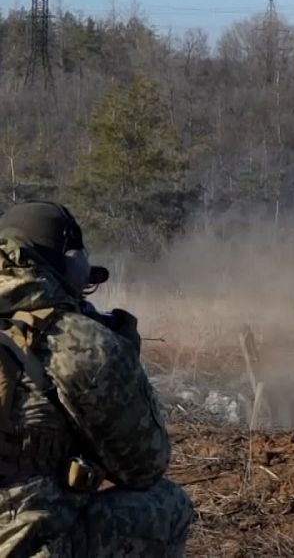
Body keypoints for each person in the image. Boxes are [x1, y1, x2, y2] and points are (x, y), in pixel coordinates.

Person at [0, 201, 193, 556]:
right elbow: (145, 466)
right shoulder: (79, 341)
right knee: (169, 506)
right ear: (68, 262)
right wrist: (124, 364)